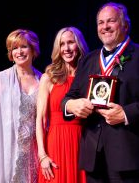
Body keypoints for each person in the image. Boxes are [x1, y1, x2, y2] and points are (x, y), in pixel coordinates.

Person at [61, 2, 139, 183]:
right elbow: (69, 97)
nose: (105, 27)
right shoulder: (87, 60)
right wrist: (71, 105)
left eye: (111, 21)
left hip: (130, 158)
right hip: (94, 159)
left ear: (125, 25)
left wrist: (126, 114)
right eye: (100, 22)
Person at [0, 29, 42, 182]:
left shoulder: (43, 80)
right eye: (14, 48)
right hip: (7, 153)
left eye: (23, 46)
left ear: (32, 49)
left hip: (34, 156)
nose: (19, 52)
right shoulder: (1, 79)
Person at [36, 27, 89, 183]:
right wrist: (42, 156)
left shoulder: (89, 75)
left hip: (83, 143)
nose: (66, 48)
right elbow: (40, 119)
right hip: (56, 145)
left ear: (79, 45)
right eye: (62, 44)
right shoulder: (49, 77)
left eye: (71, 43)